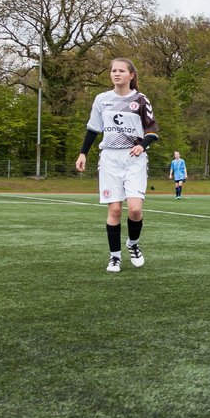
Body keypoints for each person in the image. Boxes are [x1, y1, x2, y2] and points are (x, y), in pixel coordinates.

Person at [74, 58, 159, 273]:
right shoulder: (102, 99)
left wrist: (142, 146)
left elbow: (152, 132)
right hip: (110, 159)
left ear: (131, 75)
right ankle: (114, 257)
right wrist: (83, 153)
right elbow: (93, 129)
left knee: (135, 209)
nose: (117, 74)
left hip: (134, 159)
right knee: (114, 210)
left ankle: (133, 244)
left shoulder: (140, 100)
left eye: (122, 70)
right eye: (113, 70)